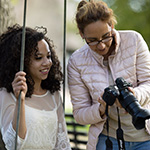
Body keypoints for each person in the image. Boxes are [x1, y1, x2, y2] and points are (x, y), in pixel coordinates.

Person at [67, 0, 150, 150]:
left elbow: (149, 83)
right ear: (81, 34)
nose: (101, 45)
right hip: (107, 139)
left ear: (112, 25)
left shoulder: (134, 41)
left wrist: (134, 94)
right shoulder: (76, 62)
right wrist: (100, 108)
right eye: (92, 40)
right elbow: (80, 114)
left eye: (106, 36)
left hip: (146, 136)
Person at [0, 24, 71, 150]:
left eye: (48, 56)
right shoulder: (6, 94)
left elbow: (63, 144)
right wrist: (20, 101)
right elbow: (14, 144)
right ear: (20, 61)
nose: (47, 63)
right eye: (38, 58)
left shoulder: (54, 95)